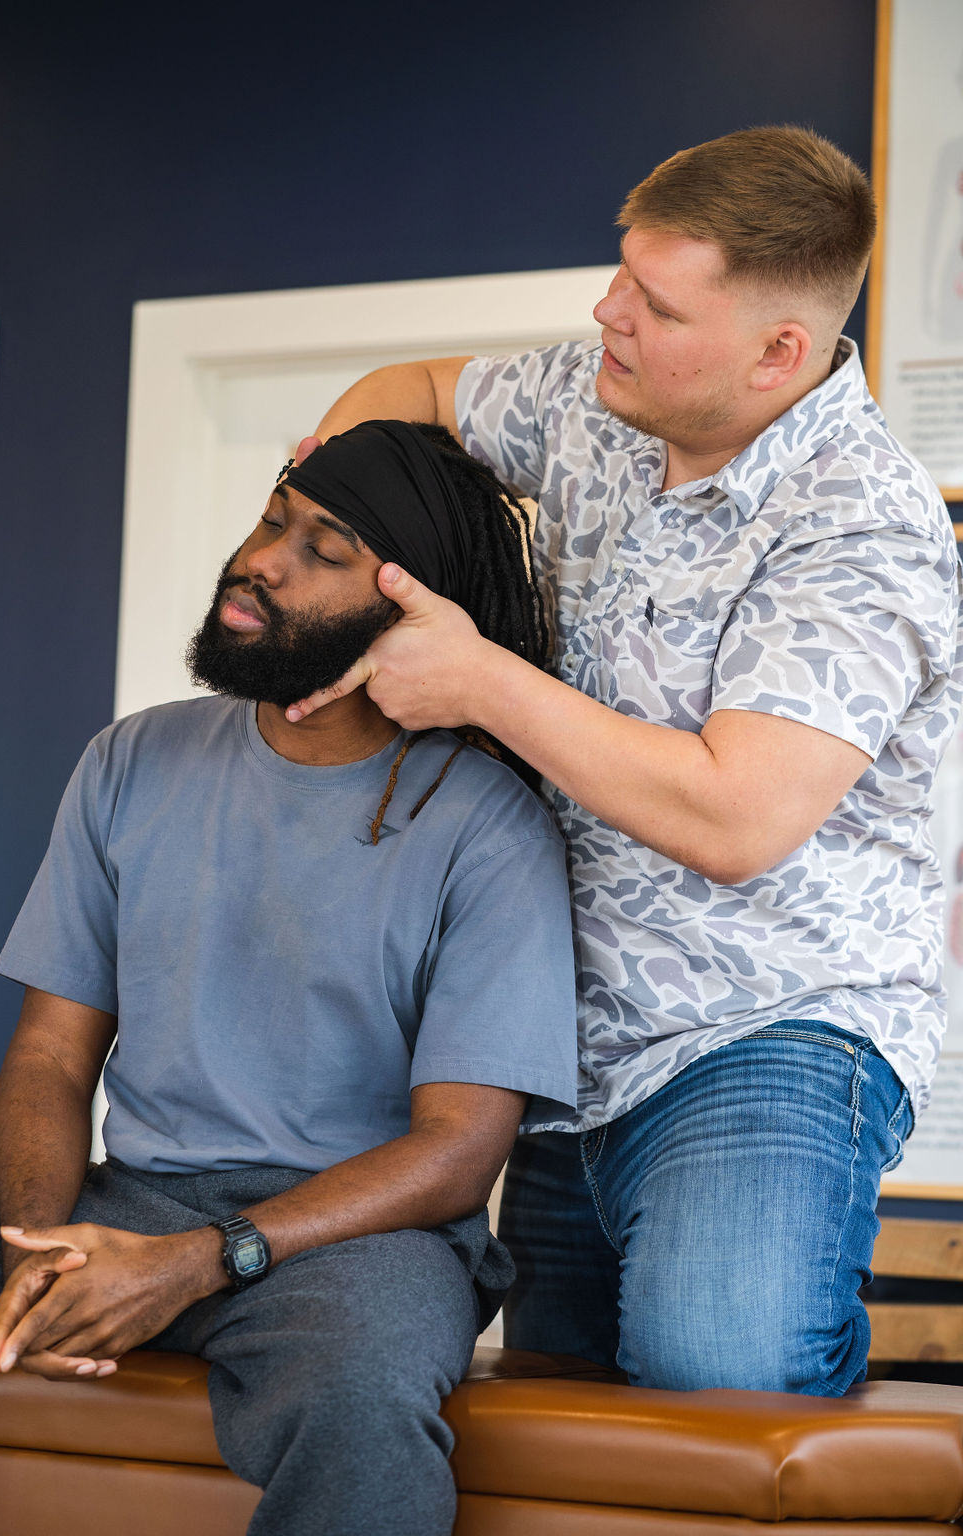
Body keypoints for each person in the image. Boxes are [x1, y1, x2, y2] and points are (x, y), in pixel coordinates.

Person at [287, 126, 963, 1396]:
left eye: (654, 304)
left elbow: (736, 818)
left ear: (779, 350)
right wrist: (328, 526)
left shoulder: (861, 526)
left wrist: (481, 676)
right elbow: (410, 390)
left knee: (719, 1373)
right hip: (565, 1041)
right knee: (560, 1411)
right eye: (619, 276)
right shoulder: (593, 401)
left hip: (764, 1031)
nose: (607, 313)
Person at [0, 420, 578, 1536]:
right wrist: (41, 1252)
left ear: (408, 614)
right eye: (275, 519)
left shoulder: (488, 826)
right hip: (124, 1199)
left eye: (323, 553)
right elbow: (50, 1050)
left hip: (354, 1247)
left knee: (359, 1409)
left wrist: (205, 1261)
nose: (262, 559)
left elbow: (458, 1150)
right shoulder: (132, 759)